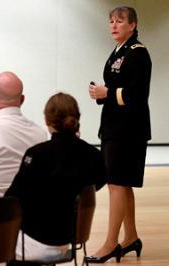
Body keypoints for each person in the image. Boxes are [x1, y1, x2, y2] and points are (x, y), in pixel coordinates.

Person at [5, 92, 106, 261]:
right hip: (71, 238)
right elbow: (95, 187)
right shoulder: (93, 155)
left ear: (47, 120)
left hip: (34, 241)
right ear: (77, 118)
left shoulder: (36, 154)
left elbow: (13, 198)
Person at [86, 6, 151, 263]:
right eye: (111, 21)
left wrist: (107, 94)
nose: (113, 25)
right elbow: (116, 88)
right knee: (121, 184)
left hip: (128, 130)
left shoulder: (138, 53)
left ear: (132, 25)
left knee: (116, 184)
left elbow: (136, 94)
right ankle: (131, 237)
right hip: (115, 127)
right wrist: (100, 93)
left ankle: (111, 243)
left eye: (120, 21)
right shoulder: (118, 52)